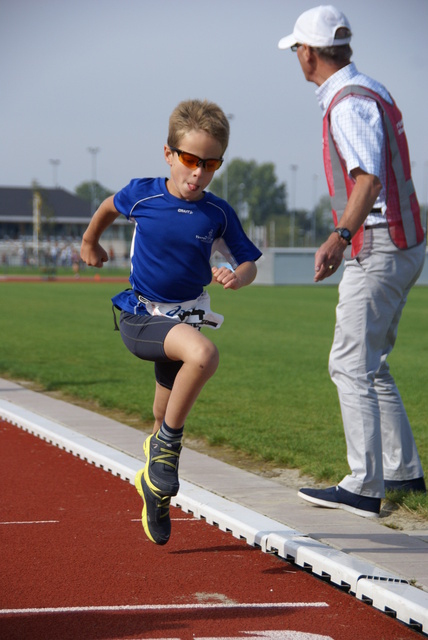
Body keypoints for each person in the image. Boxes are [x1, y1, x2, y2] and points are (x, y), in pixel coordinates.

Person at [80, 99, 262, 544]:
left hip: (185, 318)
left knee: (163, 411)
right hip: (141, 316)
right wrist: (90, 241)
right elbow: (108, 206)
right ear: (169, 154)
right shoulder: (143, 194)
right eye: (189, 160)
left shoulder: (217, 213)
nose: (198, 173)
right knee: (204, 355)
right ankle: (167, 451)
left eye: (210, 163)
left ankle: (154, 488)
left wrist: (236, 277)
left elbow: (249, 261)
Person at [278, 6, 426, 518]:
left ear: (310, 53)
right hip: (403, 242)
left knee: (348, 363)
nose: (297, 56)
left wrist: (340, 236)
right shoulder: (373, 89)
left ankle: (364, 486)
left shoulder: (346, 104)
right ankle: (404, 470)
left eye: (297, 48)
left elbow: (368, 181)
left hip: (380, 243)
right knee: (371, 364)